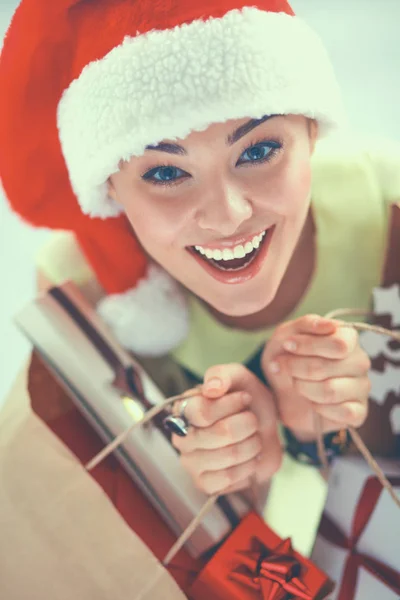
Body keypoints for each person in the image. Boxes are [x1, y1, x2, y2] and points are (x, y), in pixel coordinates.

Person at [1, 0, 399, 558]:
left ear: (313, 129)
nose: (227, 213)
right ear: (110, 188)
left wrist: (330, 436)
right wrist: (233, 487)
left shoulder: (390, 208)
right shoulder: (81, 295)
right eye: (166, 172)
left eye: (259, 149)